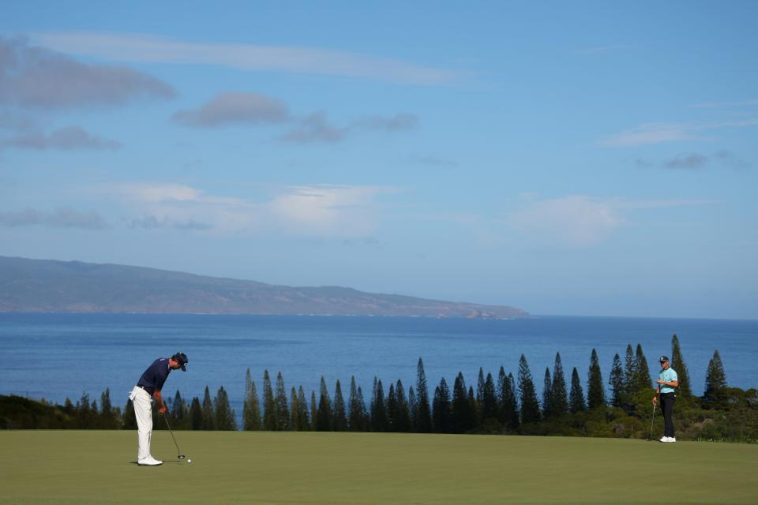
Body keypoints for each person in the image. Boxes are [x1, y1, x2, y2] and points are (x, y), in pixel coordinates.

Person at [129, 352, 188, 465]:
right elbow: (157, 394)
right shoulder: (162, 371)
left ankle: (146, 455)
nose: (179, 368)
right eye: (180, 366)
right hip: (142, 394)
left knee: (148, 426)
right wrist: (162, 407)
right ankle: (143, 458)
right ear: (175, 361)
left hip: (143, 393)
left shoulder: (163, 360)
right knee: (145, 427)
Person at [652, 355, 678, 443]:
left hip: (670, 395)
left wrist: (664, 382)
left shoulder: (672, 372)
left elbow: (675, 384)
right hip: (662, 395)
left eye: (663, 362)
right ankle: (672, 436)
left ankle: (666, 435)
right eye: (661, 362)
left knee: (667, 415)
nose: (661, 364)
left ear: (667, 362)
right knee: (666, 416)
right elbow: (659, 386)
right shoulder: (661, 372)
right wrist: (655, 396)